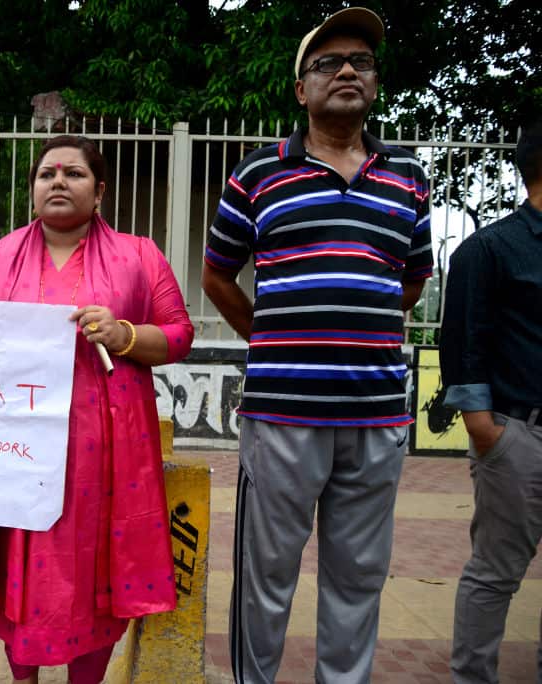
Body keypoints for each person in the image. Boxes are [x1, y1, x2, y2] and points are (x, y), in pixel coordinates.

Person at [201, 8, 433, 683]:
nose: (347, 71)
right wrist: (272, 340)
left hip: (376, 417)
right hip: (281, 415)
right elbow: (217, 274)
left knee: (358, 581)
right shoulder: (258, 175)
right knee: (265, 579)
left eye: (361, 61)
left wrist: (355, 330)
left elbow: (409, 283)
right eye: (328, 63)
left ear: (375, 83)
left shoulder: (408, 179)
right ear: (301, 90)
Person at [0, 135, 195, 684]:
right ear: (32, 192)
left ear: (100, 191)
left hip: (105, 460)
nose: (59, 182)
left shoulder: (140, 257)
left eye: (74, 174)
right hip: (17, 451)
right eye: (47, 174)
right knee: (18, 571)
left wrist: (124, 333)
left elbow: (180, 335)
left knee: (94, 574)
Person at [441, 122, 542, 684]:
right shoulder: (490, 249)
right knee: (497, 574)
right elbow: (464, 342)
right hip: (518, 436)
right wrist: (485, 431)